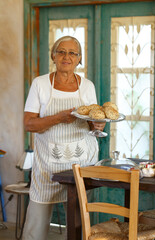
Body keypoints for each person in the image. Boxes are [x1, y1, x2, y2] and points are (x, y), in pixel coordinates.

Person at [22, 35, 106, 240]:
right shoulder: (40, 84)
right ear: (53, 55)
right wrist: (58, 118)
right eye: (61, 51)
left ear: (79, 59)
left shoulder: (87, 86)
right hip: (47, 163)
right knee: (37, 220)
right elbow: (29, 124)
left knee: (78, 218)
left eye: (72, 53)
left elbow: (92, 120)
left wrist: (97, 123)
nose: (66, 57)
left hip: (80, 161)